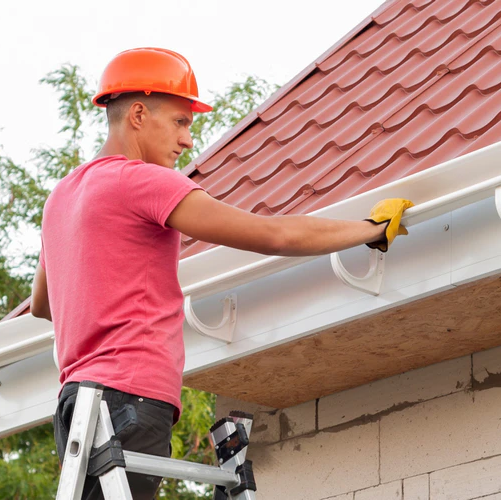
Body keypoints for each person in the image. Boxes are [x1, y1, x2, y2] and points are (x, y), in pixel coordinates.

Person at [30, 47, 413, 499]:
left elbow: (42, 304)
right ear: (137, 114)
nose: (187, 140)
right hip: (129, 398)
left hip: (78, 406)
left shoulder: (62, 197)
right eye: (180, 121)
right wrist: (368, 231)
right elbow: (274, 236)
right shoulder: (142, 181)